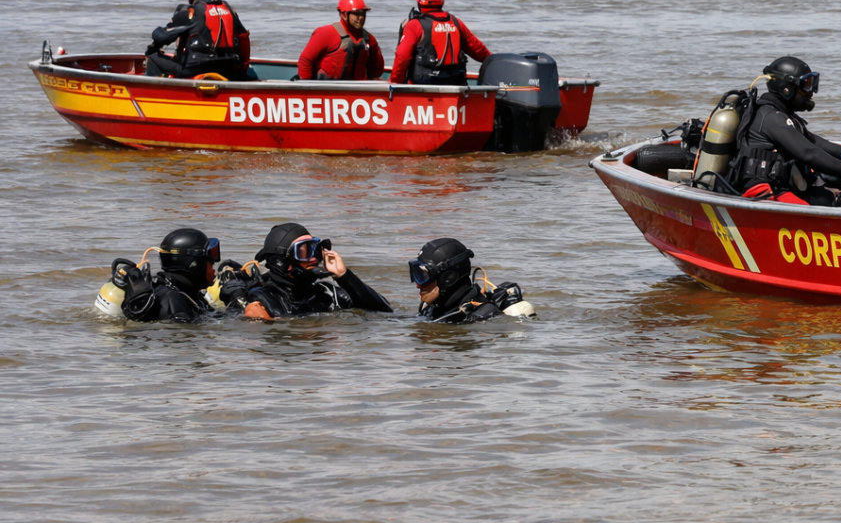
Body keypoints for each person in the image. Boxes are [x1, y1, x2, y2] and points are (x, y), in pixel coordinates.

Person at [727, 57, 841, 205]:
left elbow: (809, 139)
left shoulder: (781, 113)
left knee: (832, 194)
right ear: (786, 89)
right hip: (764, 191)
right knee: (825, 203)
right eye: (806, 85)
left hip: (781, 183)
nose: (810, 92)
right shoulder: (772, 118)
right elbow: (808, 152)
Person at [216, 222, 393, 320]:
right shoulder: (260, 299)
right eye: (305, 251)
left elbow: (384, 311)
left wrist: (344, 276)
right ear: (281, 262)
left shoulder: (325, 293)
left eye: (316, 249)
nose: (315, 258)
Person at [146, 0, 251, 80]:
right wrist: (244, 67)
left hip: (197, 67)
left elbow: (162, 37)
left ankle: (156, 93)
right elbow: (243, 37)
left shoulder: (192, 11)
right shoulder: (228, 9)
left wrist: (156, 34)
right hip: (229, 68)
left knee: (153, 58)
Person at [109, 227, 221, 323]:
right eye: (210, 260)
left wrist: (234, 295)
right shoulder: (173, 300)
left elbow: (217, 317)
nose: (214, 264)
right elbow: (186, 336)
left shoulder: (187, 292)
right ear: (194, 265)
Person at [390, 0, 491, 86]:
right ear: (442, 2)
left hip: (422, 85)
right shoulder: (456, 22)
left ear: (420, 2)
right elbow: (480, 52)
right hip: (456, 84)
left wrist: (394, 82)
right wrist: (495, 60)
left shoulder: (414, 25)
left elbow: (402, 57)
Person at [409, 238, 531, 323]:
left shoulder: (484, 315)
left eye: (424, 276)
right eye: (417, 275)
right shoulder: (432, 309)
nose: (418, 285)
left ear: (448, 278)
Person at [297, 0, 385, 80]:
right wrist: (308, 87)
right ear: (344, 15)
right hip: (328, 89)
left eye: (362, 13)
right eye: (356, 14)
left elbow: (377, 69)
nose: (360, 17)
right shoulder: (326, 33)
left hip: (358, 90)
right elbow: (305, 60)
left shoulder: (369, 39)